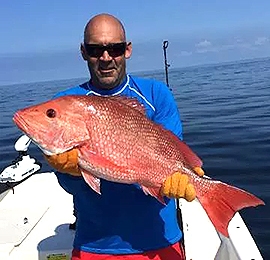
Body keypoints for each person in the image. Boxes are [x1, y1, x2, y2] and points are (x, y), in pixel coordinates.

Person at [44, 13, 204, 260]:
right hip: (94, 245)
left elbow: (174, 154)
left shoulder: (156, 94)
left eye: (115, 48)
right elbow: (69, 187)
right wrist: (70, 171)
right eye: (96, 49)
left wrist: (181, 180)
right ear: (83, 52)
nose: (106, 58)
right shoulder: (67, 103)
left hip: (159, 241)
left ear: (127, 50)